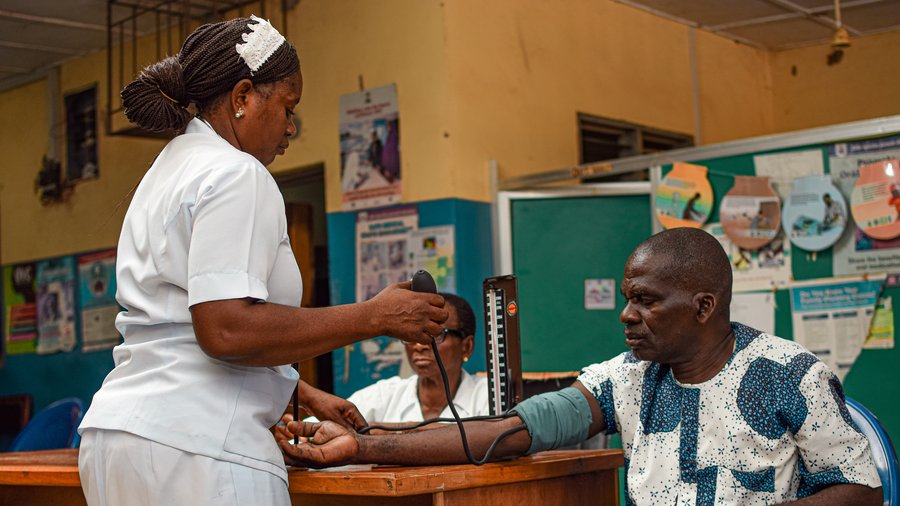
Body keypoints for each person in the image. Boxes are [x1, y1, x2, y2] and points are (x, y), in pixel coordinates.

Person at [77, 16, 447, 506]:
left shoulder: (168, 167)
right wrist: (373, 316)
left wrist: (299, 391)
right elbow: (225, 329)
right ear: (243, 96)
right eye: (288, 106)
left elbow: (177, 326)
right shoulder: (237, 173)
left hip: (122, 438)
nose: (291, 127)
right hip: (200, 449)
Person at [281, 228, 883, 505]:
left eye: (646, 301)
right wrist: (363, 445)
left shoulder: (790, 374)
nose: (626, 315)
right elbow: (507, 432)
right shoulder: (627, 378)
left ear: (704, 306)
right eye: (626, 297)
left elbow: (860, 487)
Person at [346, 293, 488, 423]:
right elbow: (328, 427)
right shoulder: (384, 397)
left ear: (467, 347)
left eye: (437, 335)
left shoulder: (487, 396)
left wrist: (380, 434)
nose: (419, 345)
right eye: (413, 335)